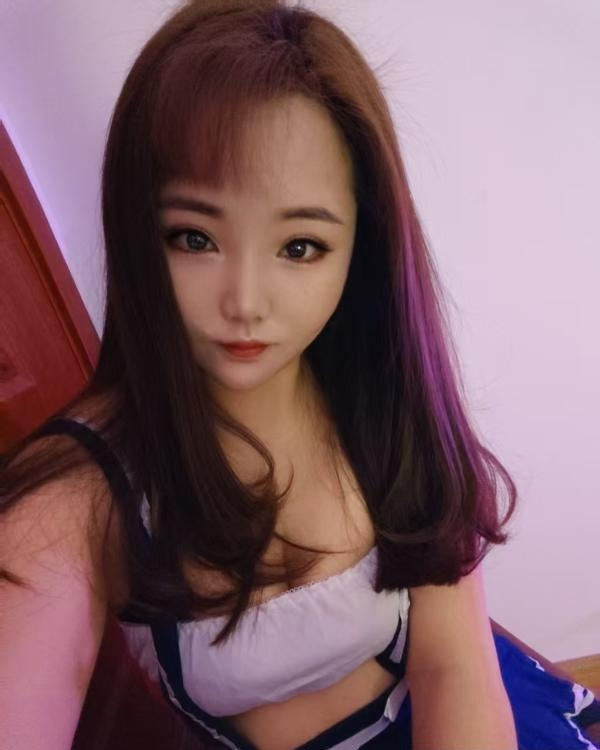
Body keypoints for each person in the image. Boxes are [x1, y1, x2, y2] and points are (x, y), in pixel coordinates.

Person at [2, 2, 597, 749]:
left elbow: (453, 662)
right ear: (136, 230)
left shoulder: (382, 398)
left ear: (360, 249)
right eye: (194, 237)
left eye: (300, 247)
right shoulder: (76, 500)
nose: (245, 303)